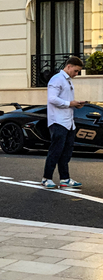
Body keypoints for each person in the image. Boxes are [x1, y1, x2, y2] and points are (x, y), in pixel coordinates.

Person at [42, 57, 85, 189]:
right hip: (58, 121)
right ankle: (47, 178)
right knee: (56, 150)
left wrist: (76, 105)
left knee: (67, 152)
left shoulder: (67, 81)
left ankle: (65, 179)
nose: (76, 74)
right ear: (69, 66)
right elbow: (52, 99)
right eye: (76, 71)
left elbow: (63, 100)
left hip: (68, 122)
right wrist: (69, 103)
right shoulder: (57, 79)